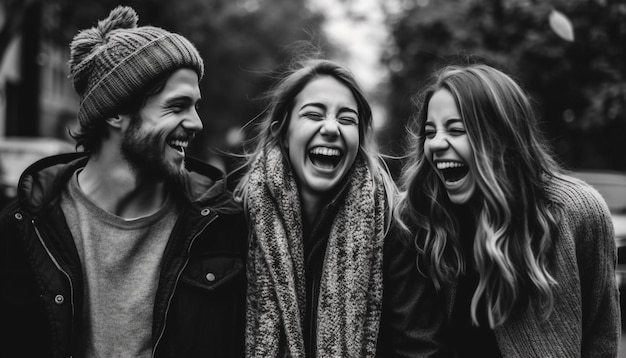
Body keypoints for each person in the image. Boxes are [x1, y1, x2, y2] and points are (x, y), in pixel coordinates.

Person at [0, 6, 247, 357]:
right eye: (177, 106)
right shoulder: (23, 230)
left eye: (194, 107)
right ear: (115, 111)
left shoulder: (223, 228)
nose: (196, 123)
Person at [395, 63, 620, 357]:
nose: (436, 144)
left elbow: (601, 337)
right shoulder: (423, 219)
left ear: (500, 135)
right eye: (430, 132)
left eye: (456, 129)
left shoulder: (577, 211)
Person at [235, 57, 447, 357]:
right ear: (282, 131)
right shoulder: (233, 221)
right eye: (313, 114)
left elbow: (419, 348)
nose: (332, 128)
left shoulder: (393, 227)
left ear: (359, 139)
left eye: (347, 119)